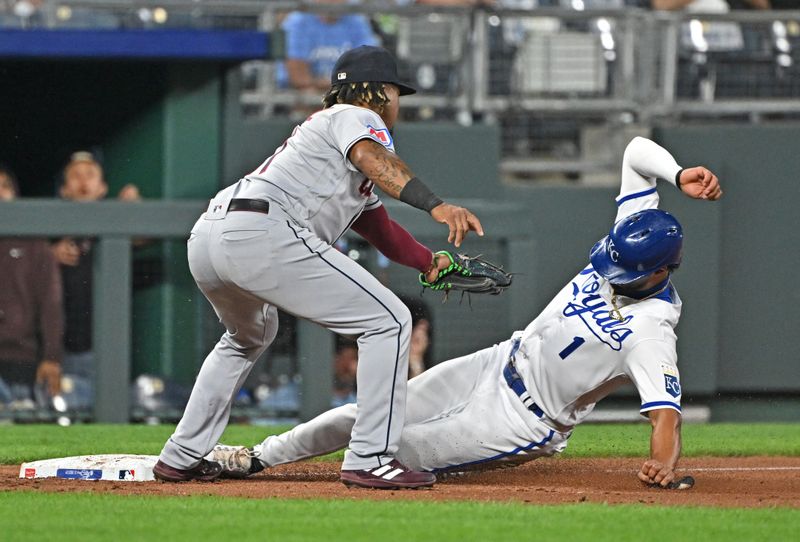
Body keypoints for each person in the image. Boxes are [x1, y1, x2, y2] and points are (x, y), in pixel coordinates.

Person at [209, 136, 723, 489]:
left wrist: (661, 463)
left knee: (393, 452)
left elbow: (665, 415)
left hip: (521, 419)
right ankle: (256, 457)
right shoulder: (635, 228)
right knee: (373, 417)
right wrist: (678, 174)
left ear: (659, 273)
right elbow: (635, 151)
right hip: (497, 362)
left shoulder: (651, 331)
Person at [154, 45, 484, 488]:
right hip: (264, 231)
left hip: (213, 234)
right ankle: (370, 457)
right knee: (389, 321)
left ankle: (182, 455)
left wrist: (428, 263)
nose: (396, 104)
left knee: (247, 337)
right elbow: (373, 158)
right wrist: (436, 206)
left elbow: (377, 225)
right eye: (396, 93)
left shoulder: (326, 139)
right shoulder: (356, 116)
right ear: (382, 91)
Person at [51, 151, 140, 385]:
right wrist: (49, 256)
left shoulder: (115, 226)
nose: (83, 182)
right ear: (64, 190)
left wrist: (132, 211)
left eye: (90, 175)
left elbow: (144, 237)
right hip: (62, 349)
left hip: (106, 347)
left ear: (102, 188)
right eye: (76, 176)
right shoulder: (51, 233)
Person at [0, 164, 63, 404]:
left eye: (5, 186)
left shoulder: (35, 244)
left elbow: (51, 305)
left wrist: (51, 357)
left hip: (21, 361)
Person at [277, 0, 379, 93]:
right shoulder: (298, 22)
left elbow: (368, 68)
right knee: (307, 92)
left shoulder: (357, 21)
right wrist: (341, 83)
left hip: (346, 94)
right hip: (300, 97)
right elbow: (299, 79)